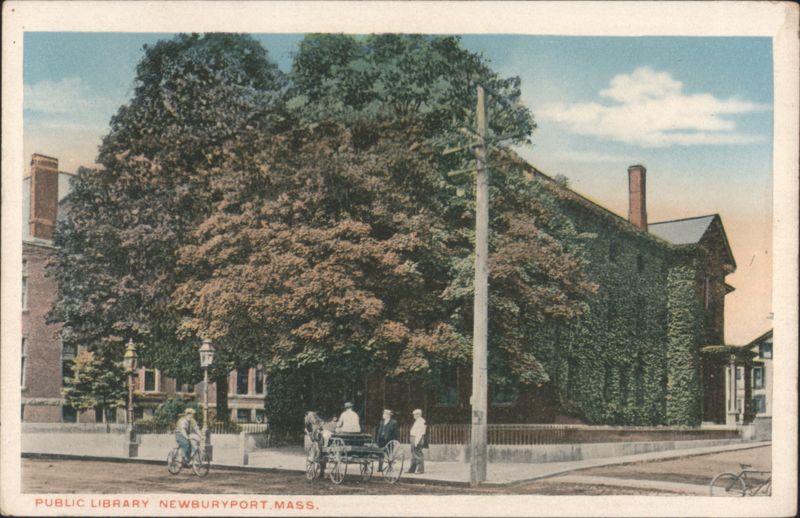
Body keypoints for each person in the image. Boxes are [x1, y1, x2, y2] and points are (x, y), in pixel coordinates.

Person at [407, 408, 426, 474]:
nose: (414, 416)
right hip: (414, 439)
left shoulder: (421, 422)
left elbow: (420, 433)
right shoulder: (418, 421)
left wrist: (416, 442)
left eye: (415, 414)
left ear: (419, 415)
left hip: (417, 439)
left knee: (418, 454)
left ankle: (420, 470)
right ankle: (412, 469)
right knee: (413, 454)